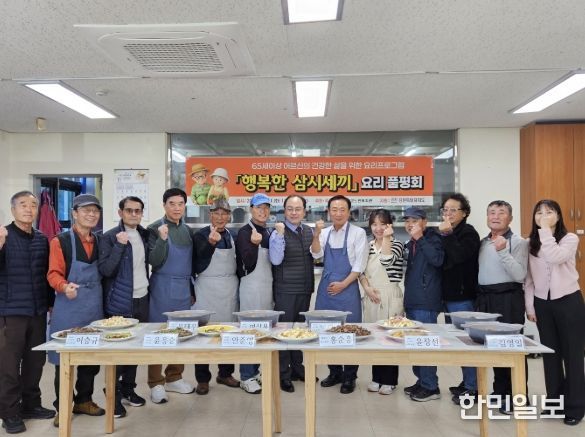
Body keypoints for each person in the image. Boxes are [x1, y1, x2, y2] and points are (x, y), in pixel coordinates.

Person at [525, 199, 585, 426]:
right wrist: (530, 307)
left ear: (558, 217)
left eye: (549, 212)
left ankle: (576, 407)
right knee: (550, 356)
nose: (543, 216)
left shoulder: (569, 239)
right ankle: (555, 403)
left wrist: (545, 231)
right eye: (539, 213)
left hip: (569, 301)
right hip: (543, 304)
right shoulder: (530, 243)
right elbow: (529, 279)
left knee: (573, 356)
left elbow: (554, 257)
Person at [47, 194, 105, 427]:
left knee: (91, 358)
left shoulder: (100, 240)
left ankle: (84, 400)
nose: (91, 215)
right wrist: (64, 287)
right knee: (65, 359)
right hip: (69, 305)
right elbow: (53, 273)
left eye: (95, 211)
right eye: (86, 210)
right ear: (74, 213)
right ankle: (62, 407)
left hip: (94, 305)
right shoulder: (60, 241)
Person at [0, 191, 55, 434]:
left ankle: (31, 405)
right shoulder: (3, 236)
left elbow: (46, 274)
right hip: (9, 312)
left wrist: (50, 303)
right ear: (13, 210)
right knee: (9, 366)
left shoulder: (42, 239)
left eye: (33, 205)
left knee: (35, 362)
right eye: (23, 205)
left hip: (38, 311)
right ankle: (9, 413)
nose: (28, 209)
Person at [98, 196, 149, 418]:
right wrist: (120, 245)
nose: (134, 214)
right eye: (129, 210)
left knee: (135, 349)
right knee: (118, 351)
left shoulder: (144, 234)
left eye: (138, 211)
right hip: (120, 301)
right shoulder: (109, 237)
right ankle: (113, 394)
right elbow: (106, 270)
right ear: (120, 213)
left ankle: (129, 389)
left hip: (142, 297)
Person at [311, 195, 368, 394]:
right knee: (327, 331)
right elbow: (316, 254)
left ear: (349, 212)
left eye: (342, 209)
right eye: (334, 209)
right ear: (328, 212)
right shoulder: (324, 232)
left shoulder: (358, 233)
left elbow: (359, 265)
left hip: (348, 287)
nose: (338, 213)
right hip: (327, 289)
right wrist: (316, 234)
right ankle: (334, 372)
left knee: (351, 332)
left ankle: (350, 376)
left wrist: (343, 284)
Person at [476, 200, 529, 410]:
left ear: (510, 218)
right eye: (491, 212)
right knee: (493, 348)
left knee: (512, 348)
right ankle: (500, 392)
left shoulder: (518, 242)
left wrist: (503, 251)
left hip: (508, 298)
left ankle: (518, 396)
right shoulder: (483, 242)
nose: (495, 216)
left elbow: (520, 274)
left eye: (501, 213)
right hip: (486, 299)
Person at [147, 188, 195, 404]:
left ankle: (175, 376)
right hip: (162, 287)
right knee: (158, 334)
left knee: (182, 334)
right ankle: (155, 383)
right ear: (164, 205)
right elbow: (154, 261)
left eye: (180, 204)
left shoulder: (188, 231)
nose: (176, 208)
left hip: (184, 287)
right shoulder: (154, 228)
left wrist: (192, 290)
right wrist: (162, 239)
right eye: (172, 204)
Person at [269, 195, 318, 393]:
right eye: (290, 209)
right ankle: (283, 373)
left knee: (300, 330)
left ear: (304, 211)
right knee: (284, 331)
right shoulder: (277, 232)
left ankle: (298, 368)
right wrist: (280, 235)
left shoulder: (308, 231)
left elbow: (315, 255)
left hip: (304, 289)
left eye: (298, 209)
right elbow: (275, 260)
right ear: (284, 211)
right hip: (285, 290)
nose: (294, 212)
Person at [192, 199, 240, 395]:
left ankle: (225, 373)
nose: (220, 217)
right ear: (210, 214)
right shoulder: (200, 235)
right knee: (204, 333)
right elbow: (196, 262)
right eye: (216, 213)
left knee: (229, 333)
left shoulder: (232, 235)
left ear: (229, 216)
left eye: (224, 214)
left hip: (229, 288)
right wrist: (210, 244)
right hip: (207, 288)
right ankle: (202, 379)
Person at [437, 194, 480, 402]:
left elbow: (458, 256)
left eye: (453, 210)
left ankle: (473, 388)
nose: (448, 213)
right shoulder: (446, 233)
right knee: (457, 342)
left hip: (462, 298)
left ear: (465, 213)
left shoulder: (468, 232)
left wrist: (447, 234)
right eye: (445, 210)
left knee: (467, 343)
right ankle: (467, 382)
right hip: (448, 297)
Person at [358, 209, 404, 396]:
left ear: (389, 225)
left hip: (390, 294)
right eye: (374, 224)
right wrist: (367, 289)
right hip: (371, 295)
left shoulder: (397, 244)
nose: (378, 228)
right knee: (374, 337)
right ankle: (376, 378)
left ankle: (390, 380)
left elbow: (386, 259)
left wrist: (387, 237)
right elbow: (361, 271)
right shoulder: (368, 246)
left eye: (382, 224)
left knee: (391, 338)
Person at [402, 206, 444, 402]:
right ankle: (421, 381)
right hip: (413, 300)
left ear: (424, 222)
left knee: (426, 345)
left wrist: (420, 238)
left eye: (415, 220)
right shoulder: (411, 242)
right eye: (407, 221)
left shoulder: (434, 238)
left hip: (426, 302)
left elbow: (437, 260)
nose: (410, 224)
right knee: (415, 345)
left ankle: (431, 386)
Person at [236, 193, 274, 394]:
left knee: (263, 331)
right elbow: (246, 261)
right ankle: (246, 376)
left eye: (266, 208)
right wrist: (253, 243)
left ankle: (256, 370)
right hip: (251, 287)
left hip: (266, 287)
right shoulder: (244, 232)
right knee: (249, 331)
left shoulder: (268, 232)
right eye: (259, 207)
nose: (263, 211)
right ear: (251, 209)